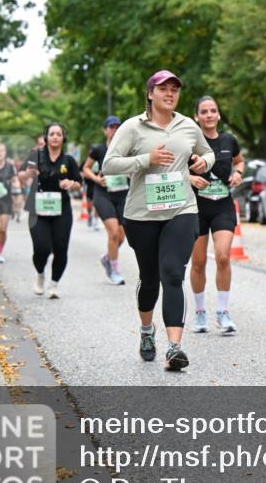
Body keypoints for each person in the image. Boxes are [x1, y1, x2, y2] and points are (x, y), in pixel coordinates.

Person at [102, 70, 214, 372]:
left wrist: (205, 162)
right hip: (142, 215)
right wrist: (145, 160)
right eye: (163, 89)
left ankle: (174, 347)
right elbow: (109, 165)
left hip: (182, 209)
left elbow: (207, 152)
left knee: (172, 273)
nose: (170, 93)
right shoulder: (132, 128)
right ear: (150, 94)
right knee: (150, 278)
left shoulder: (188, 126)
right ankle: (146, 331)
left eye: (175, 89)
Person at [188, 96, 246, 334]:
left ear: (218, 115)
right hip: (197, 208)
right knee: (199, 262)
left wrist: (238, 173)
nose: (209, 115)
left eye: (213, 111)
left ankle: (222, 312)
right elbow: (175, 170)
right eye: (204, 111)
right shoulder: (190, 143)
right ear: (197, 117)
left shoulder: (228, 140)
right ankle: (200, 312)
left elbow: (240, 161)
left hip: (222, 205)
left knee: (223, 257)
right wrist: (190, 178)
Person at [20, 123, 83, 299]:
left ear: (63, 138)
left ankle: (54, 284)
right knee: (42, 248)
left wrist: (71, 184)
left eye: (59, 134)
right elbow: (20, 175)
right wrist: (29, 174)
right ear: (46, 137)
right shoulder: (36, 156)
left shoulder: (69, 160)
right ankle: (40, 274)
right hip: (38, 209)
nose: (55, 136)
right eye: (52, 134)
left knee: (61, 248)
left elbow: (79, 182)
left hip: (62, 209)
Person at [82, 116, 128, 285]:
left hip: (123, 194)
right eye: (111, 127)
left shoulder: (126, 149)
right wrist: (96, 179)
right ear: (105, 130)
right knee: (114, 233)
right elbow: (85, 168)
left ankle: (108, 258)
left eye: (117, 126)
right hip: (103, 195)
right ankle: (115, 271)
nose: (114, 129)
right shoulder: (99, 150)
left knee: (122, 237)